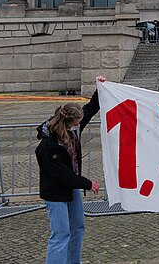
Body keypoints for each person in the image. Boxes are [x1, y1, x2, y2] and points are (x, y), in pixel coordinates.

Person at [36, 87, 101, 264]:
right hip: (55, 192)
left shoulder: (75, 127)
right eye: (77, 122)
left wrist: (100, 87)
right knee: (61, 233)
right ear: (68, 122)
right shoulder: (49, 145)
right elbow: (62, 175)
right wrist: (87, 183)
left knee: (78, 227)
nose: (80, 124)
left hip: (71, 189)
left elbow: (92, 107)